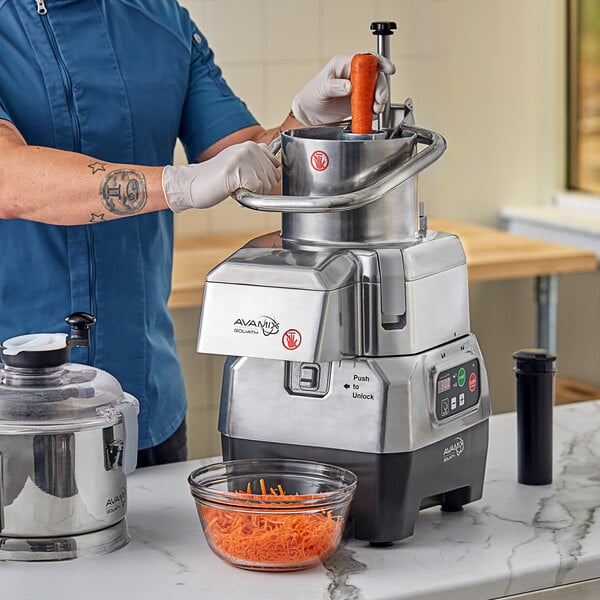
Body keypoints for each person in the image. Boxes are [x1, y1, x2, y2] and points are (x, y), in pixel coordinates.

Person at [0, 0, 394, 467]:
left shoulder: (161, 19)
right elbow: (9, 179)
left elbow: (252, 162)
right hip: (13, 421)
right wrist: (178, 184)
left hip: (143, 404)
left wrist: (306, 123)